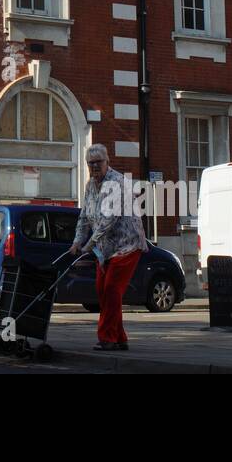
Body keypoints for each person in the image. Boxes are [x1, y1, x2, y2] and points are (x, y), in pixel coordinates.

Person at [68, 144, 148, 351]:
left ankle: (107, 338)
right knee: (102, 291)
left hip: (127, 245)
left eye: (98, 162)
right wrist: (77, 241)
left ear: (107, 162)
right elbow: (85, 216)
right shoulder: (90, 185)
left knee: (111, 290)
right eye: (90, 163)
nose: (94, 167)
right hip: (105, 248)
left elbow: (108, 220)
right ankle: (119, 337)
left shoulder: (117, 183)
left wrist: (89, 244)